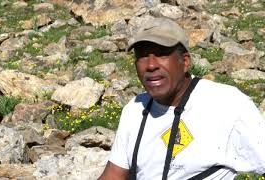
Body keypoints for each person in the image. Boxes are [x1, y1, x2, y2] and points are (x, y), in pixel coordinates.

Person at [98, 17, 265, 179]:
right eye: (142, 55)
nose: (151, 65)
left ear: (185, 62)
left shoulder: (228, 104)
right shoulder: (134, 109)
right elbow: (113, 175)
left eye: (161, 54)